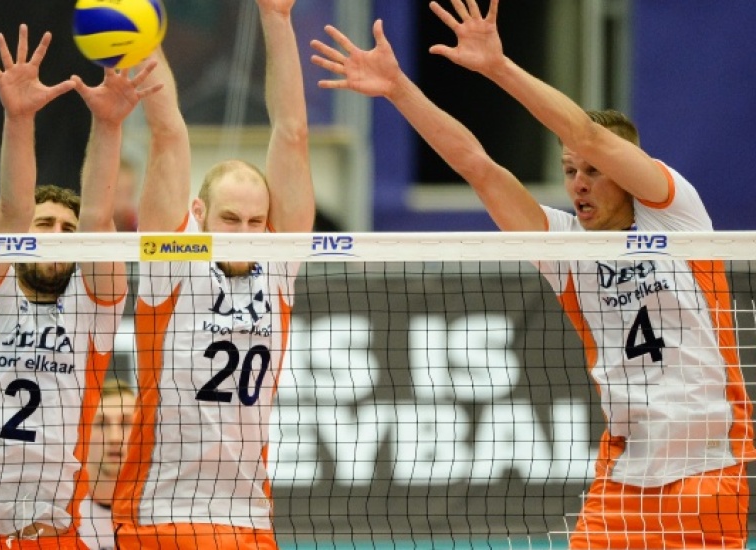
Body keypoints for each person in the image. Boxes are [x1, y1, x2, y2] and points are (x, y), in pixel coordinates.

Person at [312, 0, 756, 547]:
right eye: (570, 171)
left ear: (626, 171)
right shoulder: (563, 246)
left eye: (594, 171)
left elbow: (590, 136)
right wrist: (400, 89)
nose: (579, 183)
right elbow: (477, 166)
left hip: (707, 472)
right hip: (622, 482)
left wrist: (498, 67)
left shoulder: (676, 213)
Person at [0, 24, 158, 549]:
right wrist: (19, 116)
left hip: (53, 538)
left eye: (65, 231)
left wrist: (108, 124)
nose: (55, 238)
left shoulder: (90, 311)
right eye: (44, 225)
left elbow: (99, 223)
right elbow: (11, 208)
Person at [112, 0, 314, 547]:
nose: (244, 230)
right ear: (198, 216)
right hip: (159, 515)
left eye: (254, 220)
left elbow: (292, 132)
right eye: (230, 218)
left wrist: (276, 18)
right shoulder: (173, 263)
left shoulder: (278, 266)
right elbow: (168, 131)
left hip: (247, 520)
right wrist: (137, 32)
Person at [77, 379, 136, 550]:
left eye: (125, 423)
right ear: (84, 432)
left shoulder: (161, 510)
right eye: (102, 423)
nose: (114, 437)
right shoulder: (59, 512)